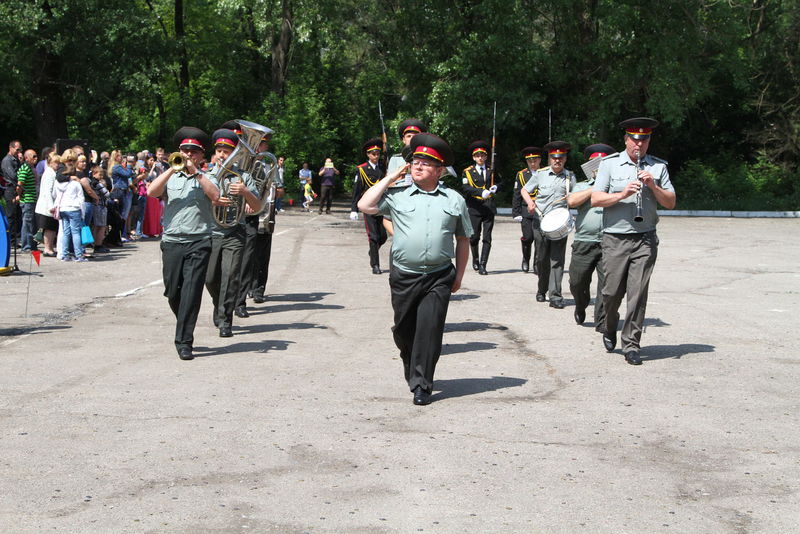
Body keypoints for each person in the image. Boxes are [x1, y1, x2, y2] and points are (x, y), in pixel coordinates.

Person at [358, 133, 472, 406]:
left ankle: (423, 384)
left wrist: (459, 276)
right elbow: (365, 205)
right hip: (404, 275)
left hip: (439, 275)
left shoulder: (454, 199)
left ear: (440, 171)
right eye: (415, 161)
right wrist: (389, 179)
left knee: (430, 330)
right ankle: (410, 364)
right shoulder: (397, 196)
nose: (417, 166)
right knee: (404, 331)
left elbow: (463, 239)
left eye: (426, 163)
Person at [591, 117, 676, 365]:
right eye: (635, 139)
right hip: (615, 237)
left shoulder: (658, 167)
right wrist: (622, 194)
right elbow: (596, 199)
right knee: (611, 292)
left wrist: (653, 186)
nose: (640, 144)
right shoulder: (609, 164)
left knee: (637, 294)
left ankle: (631, 344)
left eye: (645, 139)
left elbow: (670, 202)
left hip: (645, 238)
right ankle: (608, 326)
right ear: (626, 139)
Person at [147, 127, 220, 361]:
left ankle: (184, 341)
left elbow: (216, 195)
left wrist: (195, 171)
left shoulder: (207, 176)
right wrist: (172, 168)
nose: (189, 154)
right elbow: (151, 191)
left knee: (191, 292)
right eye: (185, 150)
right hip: (172, 242)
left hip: (199, 241)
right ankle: (185, 321)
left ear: (201, 155)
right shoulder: (171, 175)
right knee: (172, 291)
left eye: (194, 151)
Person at [204, 128, 261, 337]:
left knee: (230, 276)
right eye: (219, 150)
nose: (221, 154)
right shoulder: (206, 175)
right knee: (210, 278)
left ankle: (225, 319)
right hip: (210, 232)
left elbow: (257, 207)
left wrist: (245, 192)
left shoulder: (243, 176)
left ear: (234, 153)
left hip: (234, 232)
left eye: (226, 151)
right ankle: (219, 304)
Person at [520, 141, 576, 309]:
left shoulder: (570, 177)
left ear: (565, 159)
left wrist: (572, 199)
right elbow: (524, 190)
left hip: (560, 225)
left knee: (557, 260)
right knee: (542, 260)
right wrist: (530, 203)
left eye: (560, 158)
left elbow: (575, 197)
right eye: (553, 158)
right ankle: (541, 289)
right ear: (549, 158)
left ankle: (556, 296)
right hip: (540, 222)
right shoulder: (540, 174)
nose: (557, 161)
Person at [567, 143, 614, 328]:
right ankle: (580, 305)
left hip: (609, 241)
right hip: (584, 241)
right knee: (577, 281)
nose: (598, 168)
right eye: (594, 164)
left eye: (602, 164)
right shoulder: (582, 186)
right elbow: (571, 201)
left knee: (607, 285)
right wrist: (595, 187)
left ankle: (602, 321)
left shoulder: (615, 186)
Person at [350, 137, 387, 274]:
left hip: (381, 205)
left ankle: (373, 251)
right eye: (373, 154)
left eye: (378, 153)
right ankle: (375, 265)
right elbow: (357, 190)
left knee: (383, 236)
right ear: (368, 154)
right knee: (373, 236)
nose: (376, 156)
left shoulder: (383, 167)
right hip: (368, 205)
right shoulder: (362, 169)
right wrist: (354, 209)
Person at [461, 140, 498, 275]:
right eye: (477, 156)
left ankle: (483, 264)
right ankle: (475, 258)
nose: (480, 158)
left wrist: (496, 187)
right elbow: (465, 188)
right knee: (474, 237)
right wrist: (480, 192)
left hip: (489, 207)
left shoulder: (491, 170)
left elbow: (500, 181)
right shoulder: (467, 172)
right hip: (474, 207)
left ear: (486, 156)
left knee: (487, 237)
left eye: (483, 155)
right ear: (474, 157)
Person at [512, 147, 544, 273]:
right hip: (526, 210)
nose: (532, 163)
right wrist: (516, 212)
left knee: (539, 239)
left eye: (535, 160)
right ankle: (526, 259)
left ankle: (537, 263)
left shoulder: (545, 172)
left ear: (540, 160)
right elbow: (517, 194)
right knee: (528, 237)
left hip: (541, 210)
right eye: (530, 161)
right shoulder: (521, 174)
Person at [54, 157, 88, 262]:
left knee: (66, 232)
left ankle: (64, 254)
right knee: (76, 232)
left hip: (63, 209)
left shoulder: (58, 184)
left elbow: (55, 195)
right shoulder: (76, 184)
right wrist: (83, 212)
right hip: (74, 208)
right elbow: (81, 199)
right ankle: (78, 255)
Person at [34, 152, 60, 256]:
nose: (57, 165)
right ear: (50, 162)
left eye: (58, 162)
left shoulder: (51, 172)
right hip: (46, 206)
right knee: (49, 228)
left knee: (52, 228)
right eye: (55, 162)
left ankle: (50, 248)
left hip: (48, 205)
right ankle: (47, 249)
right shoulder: (49, 173)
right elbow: (48, 191)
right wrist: (51, 206)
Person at [386, 118, 426, 184]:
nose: (412, 139)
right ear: (404, 140)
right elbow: (388, 184)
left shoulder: (426, 158)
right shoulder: (395, 159)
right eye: (409, 136)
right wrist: (399, 176)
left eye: (415, 136)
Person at [15, 149, 39, 253]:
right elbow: (19, 184)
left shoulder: (29, 168)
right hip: (27, 200)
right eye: (33, 156)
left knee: (31, 223)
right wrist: (19, 195)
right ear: (27, 158)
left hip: (31, 199)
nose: (36, 158)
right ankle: (26, 246)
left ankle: (32, 245)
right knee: (27, 223)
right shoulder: (25, 168)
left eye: (36, 156)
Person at [2, 140, 22, 247]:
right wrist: (22, 177)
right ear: (11, 148)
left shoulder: (16, 160)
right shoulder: (7, 160)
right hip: (10, 189)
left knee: (17, 215)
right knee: (11, 215)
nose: (19, 152)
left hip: (17, 189)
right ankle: (10, 241)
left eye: (20, 149)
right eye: (17, 149)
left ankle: (15, 240)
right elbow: (13, 176)